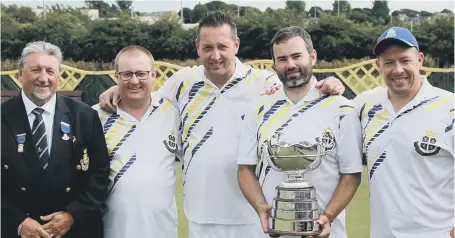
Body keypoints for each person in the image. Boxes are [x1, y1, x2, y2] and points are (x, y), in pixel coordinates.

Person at [98, 11, 346, 238]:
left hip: (253, 216)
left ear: (236, 45)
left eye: (222, 46)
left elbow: (297, 85)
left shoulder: (262, 82)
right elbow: (143, 95)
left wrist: (331, 83)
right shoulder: (182, 82)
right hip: (199, 217)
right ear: (197, 48)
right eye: (207, 47)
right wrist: (115, 89)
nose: (215, 56)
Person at [237, 26, 363, 238]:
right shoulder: (259, 108)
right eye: (283, 59)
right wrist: (260, 206)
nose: (291, 65)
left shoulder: (341, 108)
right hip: (273, 232)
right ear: (275, 64)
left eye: (297, 56)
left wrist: (328, 216)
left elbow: (351, 174)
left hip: (327, 233)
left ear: (312, 56)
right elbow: (245, 169)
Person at [1, 41, 110, 238]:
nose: (43, 78)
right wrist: (17, 222)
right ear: (20, 73)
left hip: (75, 230)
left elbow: (100, 173)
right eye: (35, 70)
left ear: (58, 75)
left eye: (50, 71)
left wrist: (73, 214)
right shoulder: (2, 116)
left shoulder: (84, 116)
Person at [354, 27, 454, 238]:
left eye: (405, 60)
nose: (398, 70)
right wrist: (328, 84)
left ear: (420, 59)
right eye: (389, 62)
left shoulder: (449, 108)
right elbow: (327, 110)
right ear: (378, 66)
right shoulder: (365, 105)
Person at [93, 45, 181, 238]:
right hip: (111, 231)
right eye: (126, 74)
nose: (134, 81)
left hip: (163, 232)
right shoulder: (95, 118)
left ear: (154, 75)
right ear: (116, 76)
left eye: (141, 73)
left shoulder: (173, 113)